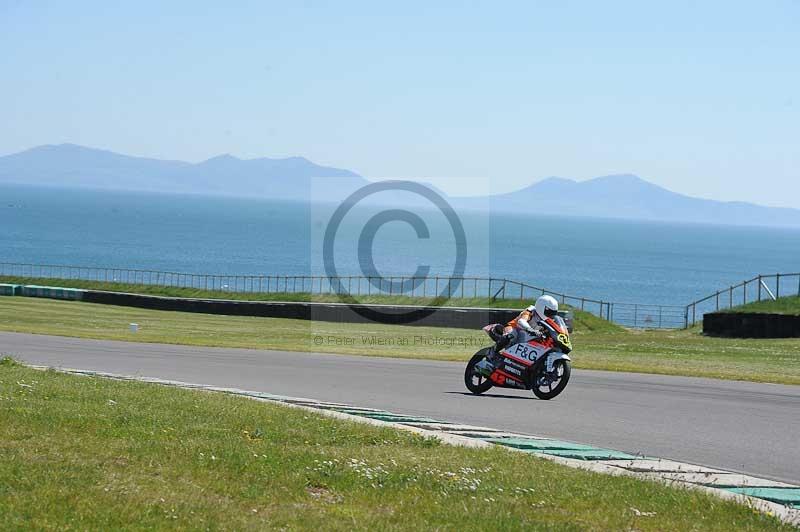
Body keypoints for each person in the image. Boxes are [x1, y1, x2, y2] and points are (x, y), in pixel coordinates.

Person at [474, 295, 560, 377]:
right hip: (515, 329)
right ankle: (492, 353)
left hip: (528, 339)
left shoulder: (549, 321)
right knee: (511, 335)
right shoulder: (531, 311)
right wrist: (530, 329)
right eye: (549, 312)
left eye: (553, 313)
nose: (551, 315)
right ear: (542, 307)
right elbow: (522, 321)